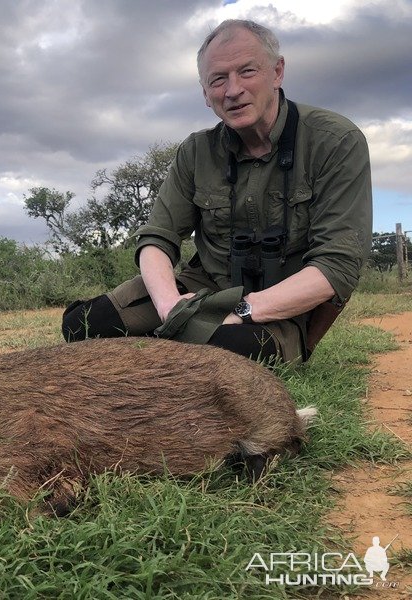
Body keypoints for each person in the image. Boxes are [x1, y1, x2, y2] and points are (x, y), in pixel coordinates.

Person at [62, 19, 372, 363]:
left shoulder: (336, 141)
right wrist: (169, 306)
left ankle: (171, 351)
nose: (232, 89)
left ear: (277, 72)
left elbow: (336, 267)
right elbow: (156, 239)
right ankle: (167, 344)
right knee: (82, 326)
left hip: (280, 309)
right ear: (205, 93)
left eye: (247, 71)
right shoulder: (195, 151)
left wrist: (242, 310)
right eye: (218, 79)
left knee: (221, 354)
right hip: (203, 291)